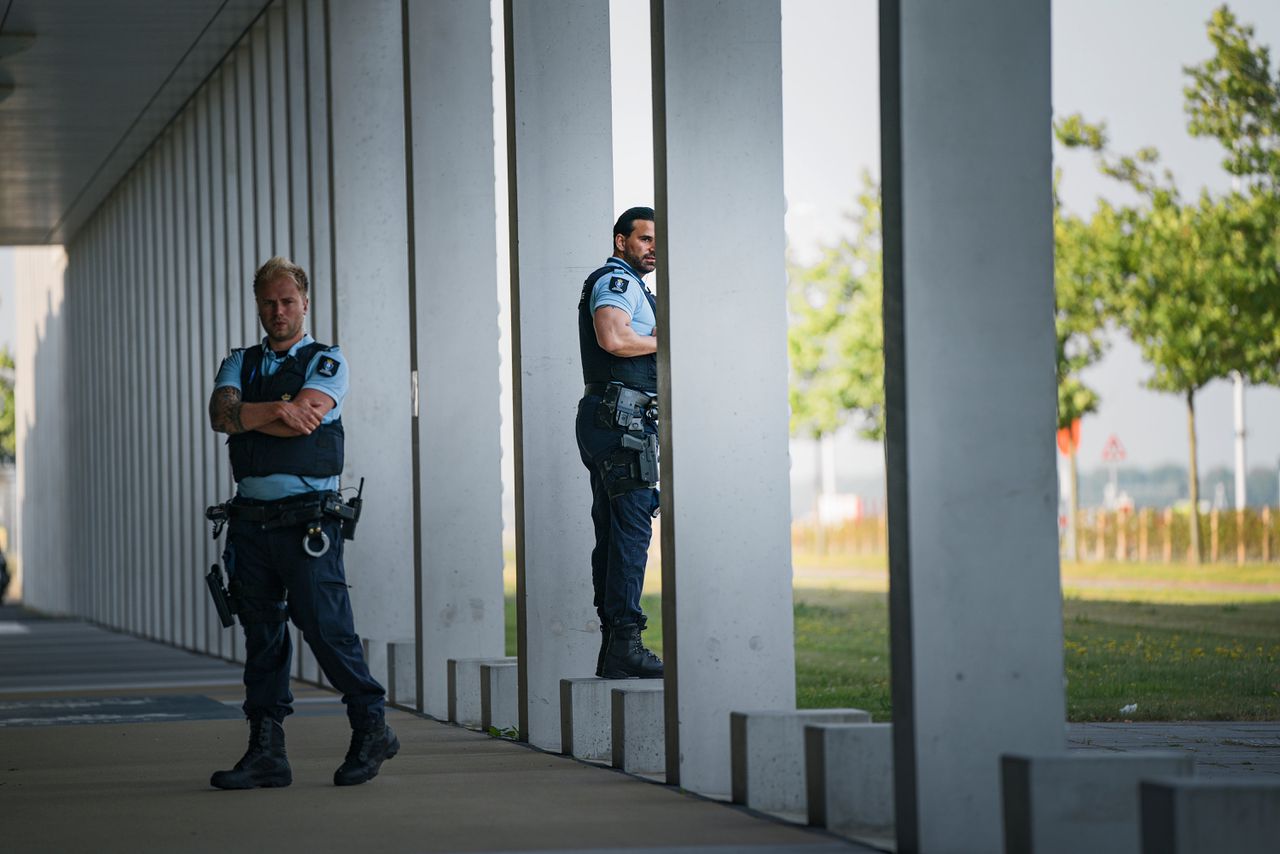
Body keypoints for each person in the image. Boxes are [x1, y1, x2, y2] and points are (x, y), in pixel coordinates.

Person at [206, 256, 396, 789]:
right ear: (257, 305)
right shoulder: (237, 361)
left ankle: (371, 725)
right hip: (250, 525)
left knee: (325, 629)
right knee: (262, 637)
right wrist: (277, 409)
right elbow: (220, 416)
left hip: (307, 524)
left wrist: (253, 415)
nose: (278, 310)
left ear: (304, 303)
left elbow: (307, 418)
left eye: (287, 300)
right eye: (268, 301)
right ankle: (266, 752)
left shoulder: (328, 360)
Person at [576, 207, 664, 679]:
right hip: (621, 419)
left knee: (614, 534)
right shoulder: (618, 280)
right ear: (621, 241)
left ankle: (616, 647)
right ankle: (625, 643)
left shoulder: (632, 285)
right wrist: (669, 337)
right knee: (630, 531)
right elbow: (613, 337)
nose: (653, 247)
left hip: (612, 416)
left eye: (658, 240)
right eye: (645, 238)